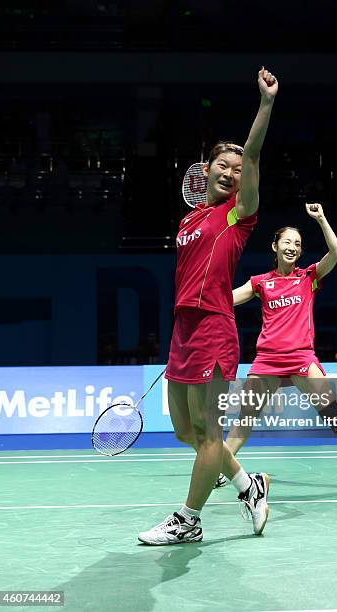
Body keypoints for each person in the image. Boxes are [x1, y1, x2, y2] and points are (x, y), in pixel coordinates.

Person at [138, 67, 278, 546]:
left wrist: (264, 104)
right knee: (187, 432)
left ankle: (189, 519)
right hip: (183, 329)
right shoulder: (190, 219)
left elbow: (253, 152)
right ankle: (248, 484)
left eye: (238, 170)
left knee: (211, 434)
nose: (231, 171)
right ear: (206, 169)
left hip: (215, 329)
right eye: (223, 165)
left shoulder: (238, 216)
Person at [215, 204, 337, 494]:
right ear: (275, 246)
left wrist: (321, 219)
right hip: (267, 360)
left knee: (332, 411)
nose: (292, 247)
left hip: (302, 357)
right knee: (246, 417)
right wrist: (200, 302)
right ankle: (222, 468)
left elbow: (336, 253)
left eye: (297, 244)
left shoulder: (308, 278)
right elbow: (226, 300)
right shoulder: (261, 283)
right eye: (287, 242)